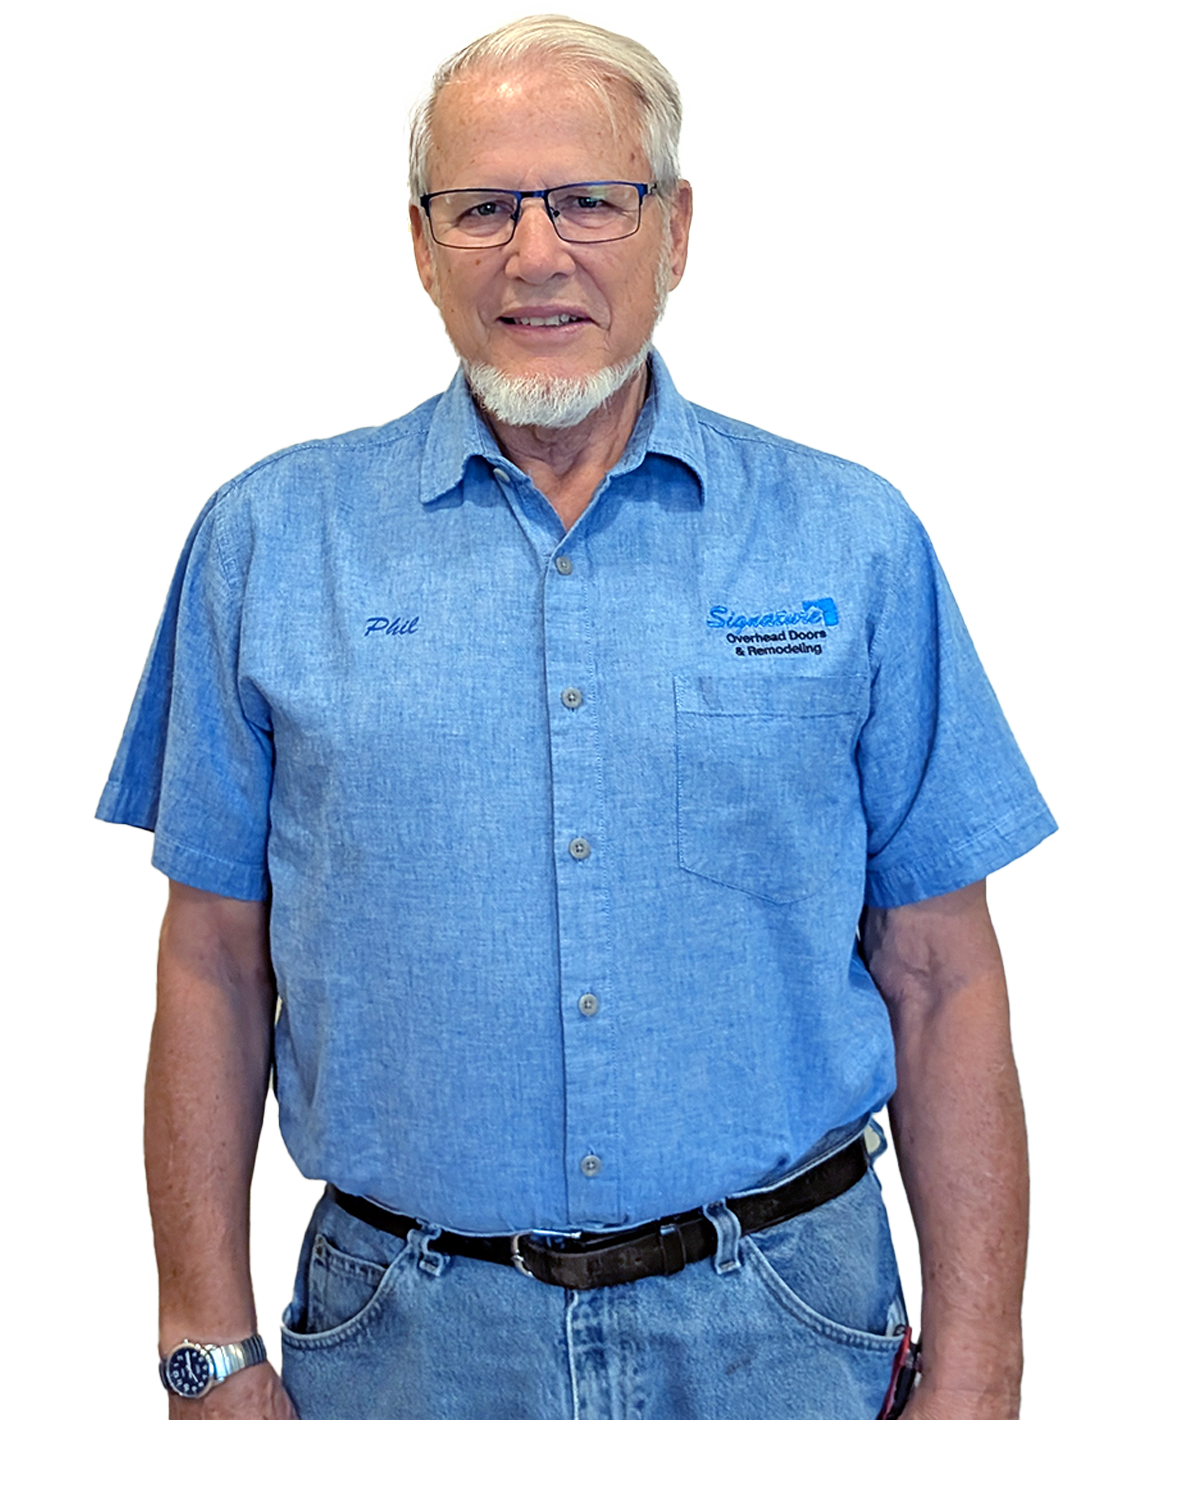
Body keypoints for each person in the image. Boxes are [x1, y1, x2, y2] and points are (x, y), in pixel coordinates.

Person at [96, 13, 1056, 1421]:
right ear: (423, 246)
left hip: (789, 1333)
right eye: (482, 207)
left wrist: (981, 1361)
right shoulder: (268, 543)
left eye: (590, 200)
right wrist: (205, 1347)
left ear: (674, 230)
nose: (535, 254)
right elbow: (211, 971)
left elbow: (943, 975)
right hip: (400, 1348)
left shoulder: (851, 542)